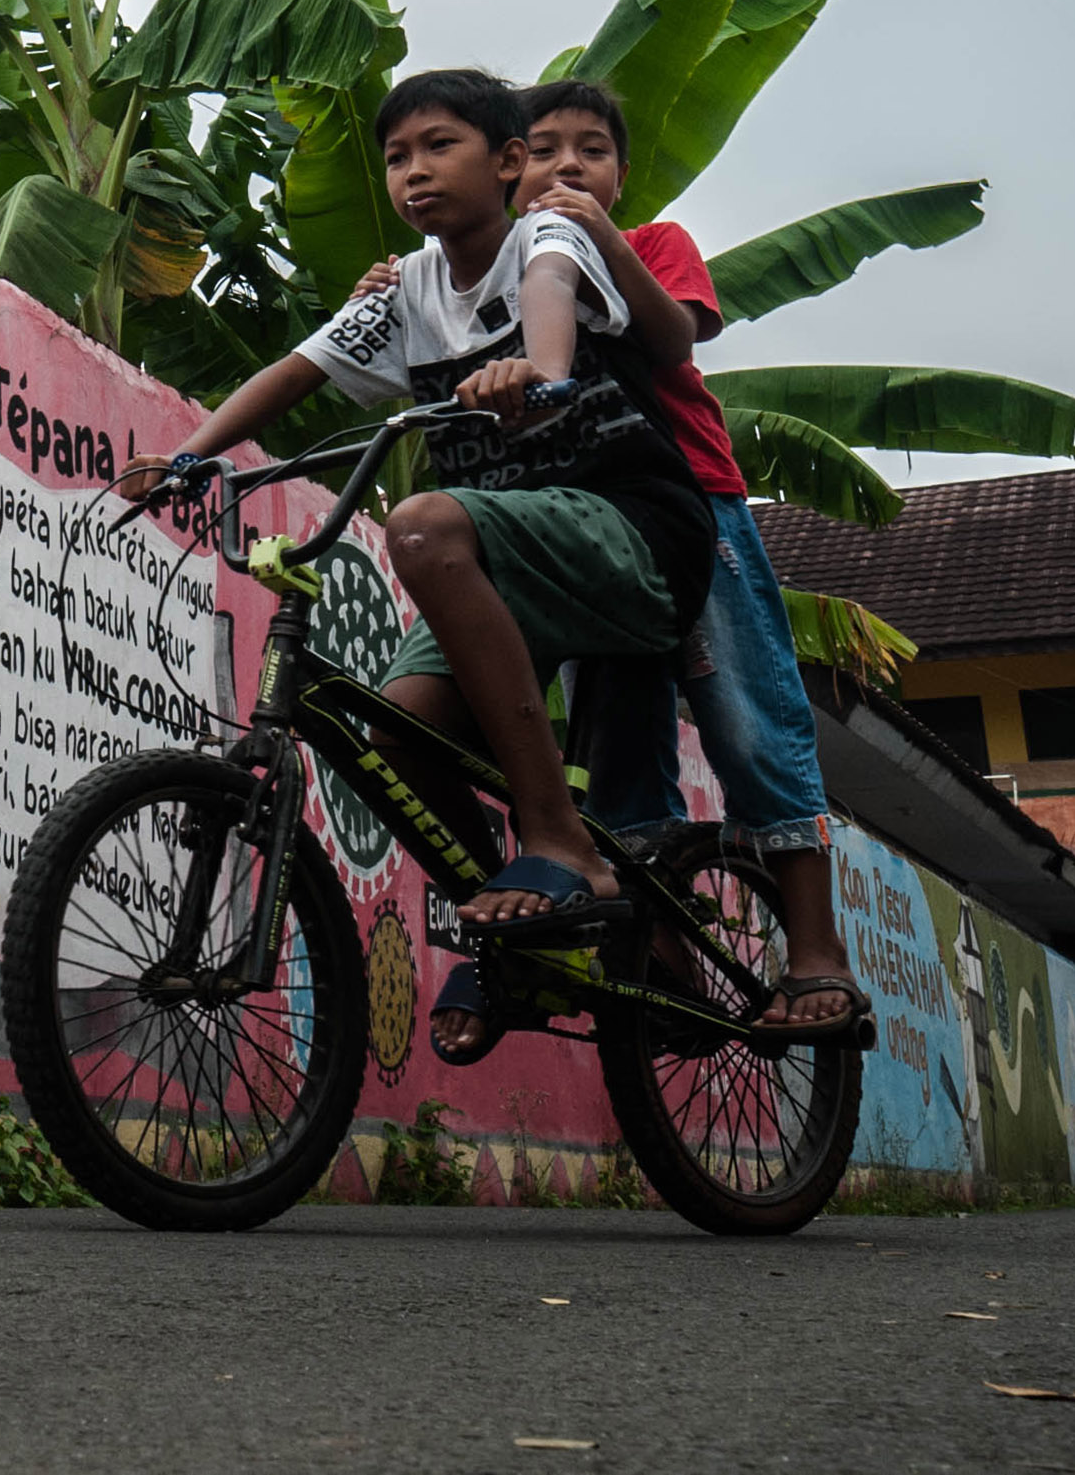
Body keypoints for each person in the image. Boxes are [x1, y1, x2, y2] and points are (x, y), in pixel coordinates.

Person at [113, 68, 715, 1006]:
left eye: (440, 146)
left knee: (423, 522)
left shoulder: (546, 235)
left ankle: (559, 840)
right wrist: (187, 456)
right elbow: (297, 368)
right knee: (398, 735)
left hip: (635, 536)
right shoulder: (406, 289)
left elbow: (551, 288)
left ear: (508, 162)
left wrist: (538, 370)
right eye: (397, 157)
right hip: (514, 561)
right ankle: (524, 942)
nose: (414, 171)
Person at [514, 77, 870, 1046]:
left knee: (747, 720)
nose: (567, 164)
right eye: (542, 149)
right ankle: (662, 955)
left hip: (695, 501)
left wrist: (601, 240)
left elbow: (676, 335)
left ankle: (816, 951)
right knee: (619, 750)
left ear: (621, 175)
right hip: (591, 524)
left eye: (591, 149)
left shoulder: (654, 243)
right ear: (506, 169)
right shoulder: (500, 272)